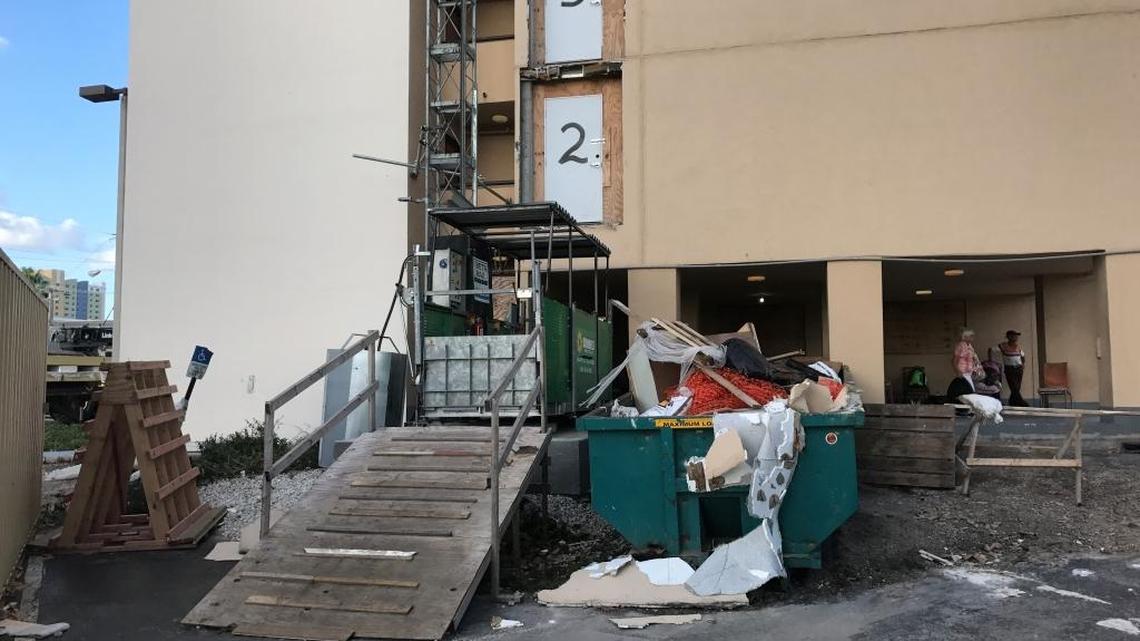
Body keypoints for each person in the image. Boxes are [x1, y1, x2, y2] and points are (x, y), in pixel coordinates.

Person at [947, 328, 982, 400]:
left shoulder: (969, 345)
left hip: (969, 371)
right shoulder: (961, 345)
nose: (973, 337)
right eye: (971, 336)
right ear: (966, 336)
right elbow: (954, 360)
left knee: (970, 389)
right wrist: (958, 371)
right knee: (970, 389)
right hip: (963, 371)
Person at [999, 330, 1028, 406]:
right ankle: (1022, 403)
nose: (1016, 337)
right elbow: (992, 350)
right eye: (1014, 335)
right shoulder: (1003, 346)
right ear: (1009, 337)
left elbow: (1022, 356)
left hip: (1018, 369)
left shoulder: (1018, 346)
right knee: (1014, 387)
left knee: (1017, 388)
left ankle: (1013, 403)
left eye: (1016, 336)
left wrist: (1023, 365)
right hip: (1009, 369)